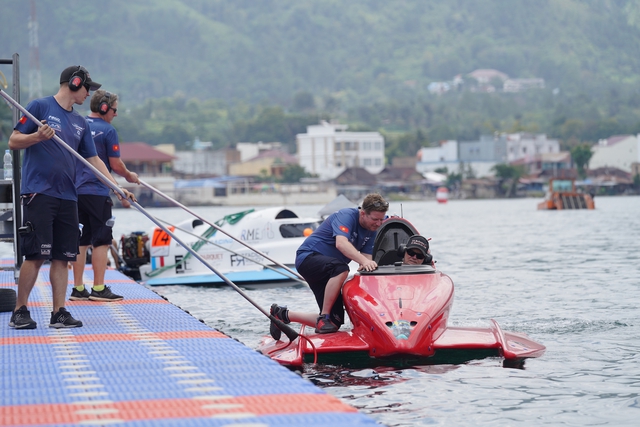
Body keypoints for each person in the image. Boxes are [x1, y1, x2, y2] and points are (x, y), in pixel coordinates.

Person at [8, 65, 135, 330]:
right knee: (35, 254)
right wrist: (36, 136)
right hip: (39, 192)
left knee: (63, 256)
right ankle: (20, 310)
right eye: (88, 87)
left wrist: (116, 187)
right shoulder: (40, 107)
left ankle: (59, 312)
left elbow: (93, 159)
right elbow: (14, 140)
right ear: (75, 82)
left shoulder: (79, 122)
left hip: (68, 196)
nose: (89, 94)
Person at [270, 193, 389, 338]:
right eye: (375, 219)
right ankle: (324, 316)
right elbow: (341, 243)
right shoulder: (346, 216)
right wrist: (364, 262)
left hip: (329, 270)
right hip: (308, 258)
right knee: (341, 268)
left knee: (334, 322)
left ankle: (281, 314)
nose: (378, 223)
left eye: (381, 219)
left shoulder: (372, 231)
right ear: (363, 213)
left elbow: (366, 262)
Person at [70, 90, 139, 302]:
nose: (116, 114)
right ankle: (99, 288)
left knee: (81, 241)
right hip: (97, 191)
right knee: (101, 240)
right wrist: (129, 176)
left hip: (76, 192)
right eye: (115, 110)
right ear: (104, 108)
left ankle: (79, 288)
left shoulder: (78, 124)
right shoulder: (108, 130)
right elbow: (116, 164)